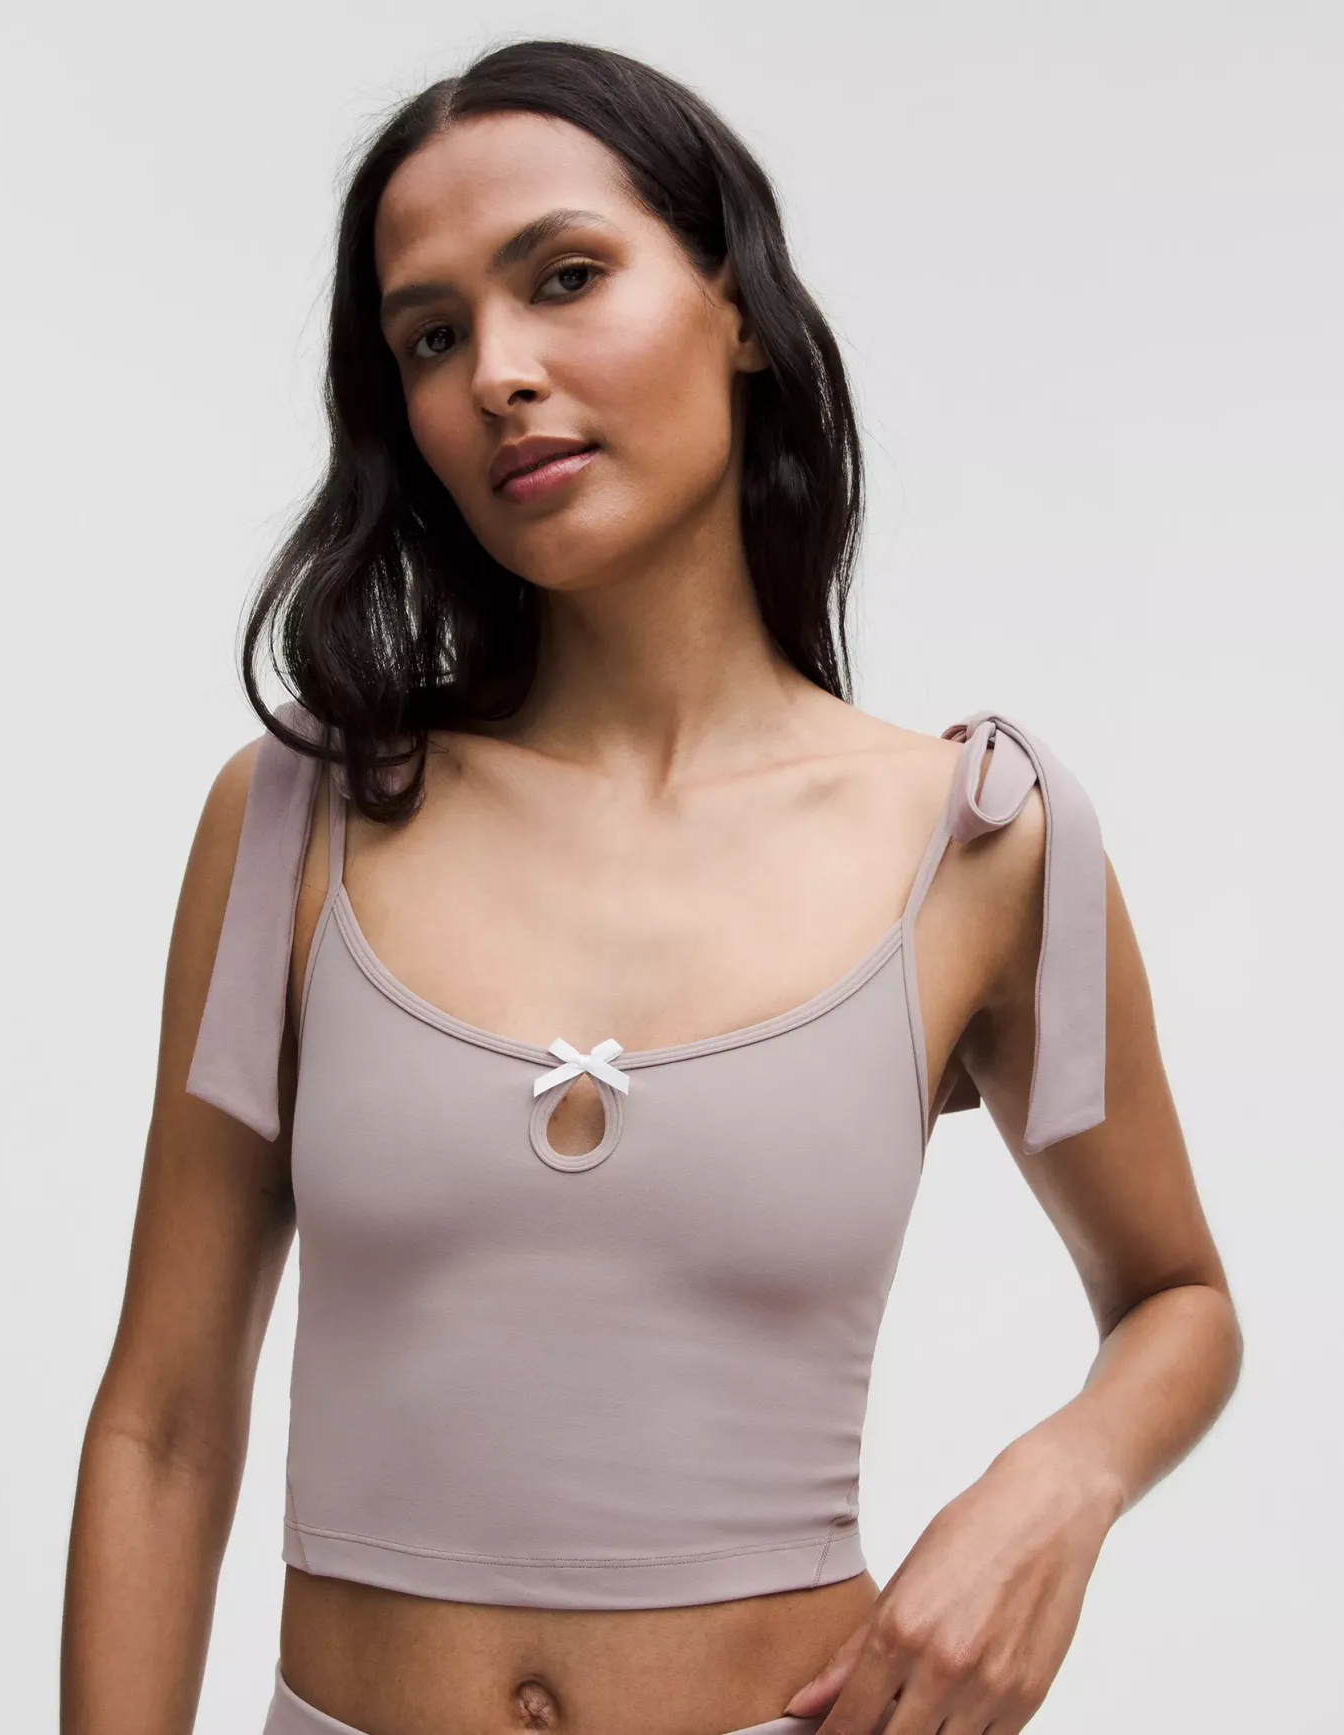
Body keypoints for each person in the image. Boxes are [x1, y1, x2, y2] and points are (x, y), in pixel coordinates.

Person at [60, 37, 1242, 1735]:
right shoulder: (298, 821)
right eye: (432, 335)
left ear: (738, 306)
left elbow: (1180, 1300)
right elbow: (164, 1423)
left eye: (565, 277)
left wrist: (1059, 1481)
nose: (500, 373)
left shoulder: (981, 841)